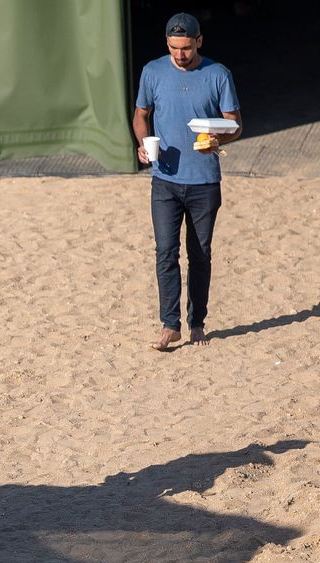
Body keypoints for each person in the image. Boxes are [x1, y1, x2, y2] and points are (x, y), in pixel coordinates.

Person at [133, 11, 242, 351]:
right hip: (164, 180)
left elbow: (235, 124)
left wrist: (218, 140)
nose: (179, 55)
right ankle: (170, 325)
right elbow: (141, 116)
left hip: (204, 182)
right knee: (165, 252)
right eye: (173, 48)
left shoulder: (218, 74)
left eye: (185, 48)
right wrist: (142, 144)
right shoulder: (152, 72)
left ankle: (197, 322)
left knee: (200, 254)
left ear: (199, 42)